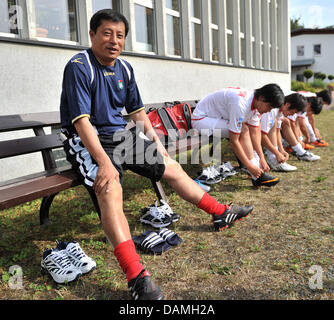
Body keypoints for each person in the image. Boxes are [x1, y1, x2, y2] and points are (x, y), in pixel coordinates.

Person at [59, 9, 253, 300]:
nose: (114, 40)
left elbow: (137, 112)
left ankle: (220, 213)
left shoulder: (124, 69)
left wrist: (157, 144)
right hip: (88, 142)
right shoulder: (79, 65)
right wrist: (103, 163)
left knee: (173, 168)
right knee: (110, 189)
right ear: (92, 35)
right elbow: (81, 121)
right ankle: (137, 276)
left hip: (121, 138)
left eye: (120, 35)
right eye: (107, 33)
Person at [191, 85, 284, 187]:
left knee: (244, 129)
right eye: (270, 107)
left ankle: (257, 173)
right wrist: (249, 166)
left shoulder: (256, 103)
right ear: (262, 98)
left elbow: (255, 132)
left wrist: (262, 158)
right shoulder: (241, 104)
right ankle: (256, 175)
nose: (269, 111)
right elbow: (234, 141)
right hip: (201, 120)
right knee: (243, 129)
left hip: (215, 118)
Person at [260, 93, 307, 172]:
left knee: (275, 125)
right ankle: (272, 160)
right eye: (293, 111)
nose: (292, 114)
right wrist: (276, 153)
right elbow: (262, 136)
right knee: (274, 124)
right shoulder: (272, 110)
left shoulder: (280, 111)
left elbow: (277, 131)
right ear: (287, 104)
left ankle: (273, 159)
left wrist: (281, 150)